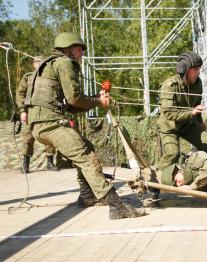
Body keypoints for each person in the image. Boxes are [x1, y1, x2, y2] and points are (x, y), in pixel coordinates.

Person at [27, 32, 146, 219]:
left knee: (86, 148)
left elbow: (71, 105)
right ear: (68, 49)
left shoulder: (51, 64)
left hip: (40, 124)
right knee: (87, 158)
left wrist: (97, 100)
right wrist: (99, 100)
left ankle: (87, 196)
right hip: (49, 123)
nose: (82, 52)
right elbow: (75, 98)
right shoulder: (65, 63)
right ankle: (116, 206)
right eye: (79, 48)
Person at [157, 51, 207, 170]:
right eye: (195, 69)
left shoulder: (197, 83)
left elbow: (197, 104)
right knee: (172, 154)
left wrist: (200, 123)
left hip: (188, 124)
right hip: (169, 127)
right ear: (184, 70)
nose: (198, 72)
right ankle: (153, 181)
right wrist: (192, 113)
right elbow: (169, 113)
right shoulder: (169, 86)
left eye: (199, 69)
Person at [15, 56, 58, 173]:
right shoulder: (27, 77)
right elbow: (20, 94)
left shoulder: (50, 77)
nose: (39, 64)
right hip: (30, 111)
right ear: (33, 64)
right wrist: (23, 110)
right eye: (37, 62)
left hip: (47, 111)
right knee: (28, 138)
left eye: (42, 62)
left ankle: (50, 162)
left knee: (50, 136)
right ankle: (25, 164)